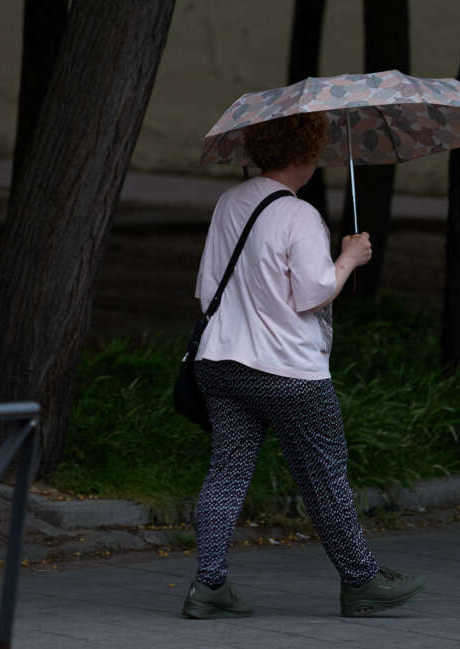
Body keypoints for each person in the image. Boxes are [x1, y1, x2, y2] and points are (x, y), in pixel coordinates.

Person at [181, 112, 425, 619]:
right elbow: (313, 294)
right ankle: (361, 582)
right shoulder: (300, 215)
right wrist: (351, 258)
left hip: (221, 363)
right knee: (325, 475)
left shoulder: (230, 202)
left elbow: (205, 288)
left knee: (226, 472)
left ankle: (208, 586)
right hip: (288, 372)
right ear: (304, 157)